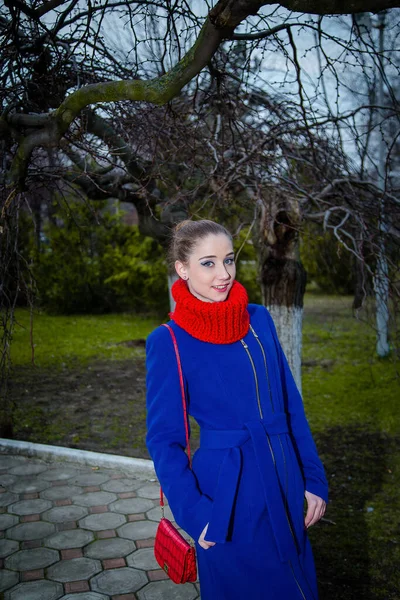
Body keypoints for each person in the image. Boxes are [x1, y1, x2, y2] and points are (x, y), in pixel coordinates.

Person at [145, 219, 328, 600]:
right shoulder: (168, 341)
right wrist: (196, 515)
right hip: (226, 501)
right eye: (208, 263)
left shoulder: (259, 319)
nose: (223, 274)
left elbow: (290, 405)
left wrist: (312, 478)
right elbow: (164, 441)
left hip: (284, 478)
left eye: (228, 260)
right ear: (182, 269)